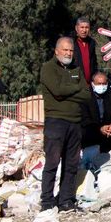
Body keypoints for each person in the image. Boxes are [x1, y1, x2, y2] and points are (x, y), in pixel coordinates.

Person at [39, 37, 91, 212]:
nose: (69, 53)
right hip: (56, 122)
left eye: (70, 50)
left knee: (71, 164)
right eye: (65, 50)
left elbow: (87, 94)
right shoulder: (48, 68)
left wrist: (70, 90)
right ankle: (46, 201)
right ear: (56, 51)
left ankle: (66, 200)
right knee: (52, 162)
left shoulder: (76, 69)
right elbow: (58, 91)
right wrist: (75, 88)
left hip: (75, 123)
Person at [80, 72, 111, 173]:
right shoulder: (85, 96)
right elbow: (85, 118)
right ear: (92, 84)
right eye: (99, 84)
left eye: (104, 83)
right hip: (92, 130)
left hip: (108, 129)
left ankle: (110, 147)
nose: (101, 86)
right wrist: (99, 128)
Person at [72, 17, 98, 85]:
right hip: (75, 83)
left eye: (86, 27)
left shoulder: (91, 42)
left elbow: (94, 62)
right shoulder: (71, 42)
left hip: (90, 84)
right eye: (82, 27)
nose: (84, 30)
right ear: (76, 28)